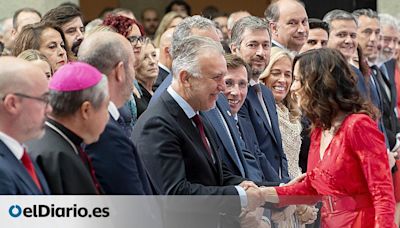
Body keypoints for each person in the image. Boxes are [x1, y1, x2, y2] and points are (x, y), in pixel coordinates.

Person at [132, 35, 265, 227]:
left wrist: (253, 188)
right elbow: (176, 195)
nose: (222, 87)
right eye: (216, 78)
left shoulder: (197, 113)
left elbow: (219, 175)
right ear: (186, 78)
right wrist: (239, 197)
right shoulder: (158, 124)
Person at [262, 48, 396, 228]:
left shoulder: (358, 126)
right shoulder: (319, 129)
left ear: (321, 84)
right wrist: (263, 194)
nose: (293, 87)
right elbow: (312, 188)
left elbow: (382, 194)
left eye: (299, 80)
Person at [78, 31, 153, 195]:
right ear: (120, 71)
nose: (134, 74)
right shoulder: (105, 133)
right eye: (133, 66)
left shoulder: (99, 122)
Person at [28, 62, 110, 194]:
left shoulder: (41, 137)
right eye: (106, 106)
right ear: (86, 110)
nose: (107, 117)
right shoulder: (61, 158)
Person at [230, 16, 290, 183]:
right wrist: (280, 191)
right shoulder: (234, 96)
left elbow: (279, 149)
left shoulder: (266, 92)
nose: (260, 53)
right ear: (234, 49)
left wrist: (285, 182)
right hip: (261, 191)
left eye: (266, 45)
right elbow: (253, 151)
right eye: (252, 45)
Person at [0, 57, 51, 195]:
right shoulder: (3, 173)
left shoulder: (21, 153)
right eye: (44, 99)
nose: (49, 109)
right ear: (12, 104)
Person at [133, 38, 159, 117]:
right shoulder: (135, 97)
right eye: (144, 58)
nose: (152, 61)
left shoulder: (159, 90)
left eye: (154, 55)